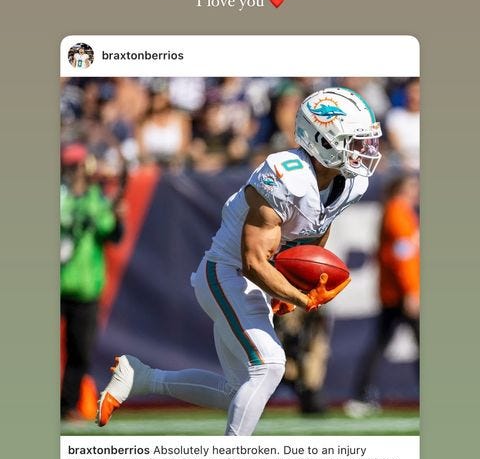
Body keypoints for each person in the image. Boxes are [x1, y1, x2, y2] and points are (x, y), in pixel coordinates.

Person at [96, 87, 382, 435]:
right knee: (270, 367)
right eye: (354, 141)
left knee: (238, 389)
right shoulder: (284, 174)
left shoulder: (350, 183)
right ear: (322, 140)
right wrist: (301, 297)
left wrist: (293, 283)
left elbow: (317, 227)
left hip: (253, 283)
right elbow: (253, 262)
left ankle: (142, 378)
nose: (364, 151)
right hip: (226, 273)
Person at [344, 173, 420, 416]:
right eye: (411, 185)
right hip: (400, 294)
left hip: (395, 292)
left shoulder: (399, 210)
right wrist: (411, 291)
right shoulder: (398, 210)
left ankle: (361, 394)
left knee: (381, 343)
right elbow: (402, 256)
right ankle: (361, 395)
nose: (415, 191)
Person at [60, 144, 123, 420]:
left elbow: (112, 232)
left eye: (78, 166)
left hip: (85, 286)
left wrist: (115, 215)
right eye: (70, 166)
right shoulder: (60, 197)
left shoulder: (97, 199)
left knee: (79, 352)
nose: (75, 172)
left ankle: (67, 406)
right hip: (59, 282)